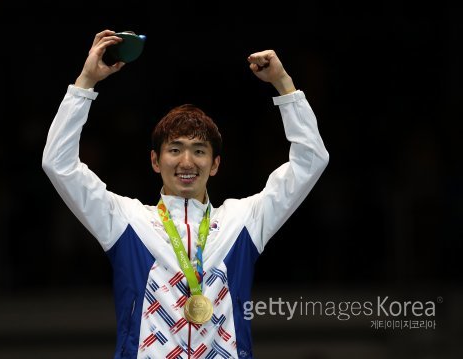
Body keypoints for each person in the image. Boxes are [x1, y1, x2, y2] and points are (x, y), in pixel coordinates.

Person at [42, 29, 329, 359]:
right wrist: (84, 83)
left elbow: (311, 161)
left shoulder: (243, 221)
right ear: (155, 160)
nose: (187, 162)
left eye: (199, 151)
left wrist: (284, 86)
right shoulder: (126, 221)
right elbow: (58, 163)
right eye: (175, 149)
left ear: (215, 164)